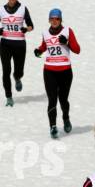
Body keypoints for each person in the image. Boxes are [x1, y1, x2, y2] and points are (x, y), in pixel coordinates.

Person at [34, 8, 81, 139]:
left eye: (57, 18)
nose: (54, 21)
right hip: (49, 71)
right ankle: (53, 127)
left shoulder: (67, 31)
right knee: (52, 100)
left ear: (61, 20)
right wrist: (39, 50)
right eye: (52, 18)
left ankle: (66, 118)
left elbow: (77, 50)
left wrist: (66, 42)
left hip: (65, 71)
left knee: (63, 99)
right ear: (49, 20)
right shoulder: (45, 32)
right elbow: (45, 46)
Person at [0, 0, 34, 107]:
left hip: (19, 43)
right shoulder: (0, 10)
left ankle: (17, 77)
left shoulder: (23, 9)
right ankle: (9, 97)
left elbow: (31, 25)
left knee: (19, 70)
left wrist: (26, 29)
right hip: (5, 44)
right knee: (6, 71)